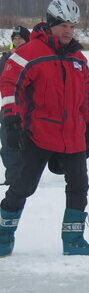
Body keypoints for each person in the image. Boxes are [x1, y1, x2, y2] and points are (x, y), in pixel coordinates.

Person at [0, 0, 89, 258]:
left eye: (72, 27)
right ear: (51, 24)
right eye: (63, 25)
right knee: (23, 186)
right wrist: (11, 119)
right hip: (38, 133)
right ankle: (3, 235)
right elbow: (9, 85)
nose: (68, 31)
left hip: (73, 134)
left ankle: (74, 240)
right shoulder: (29, 53)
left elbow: (86, 96)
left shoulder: (79, 59)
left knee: (79, 186)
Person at [0, 25, 30, 186]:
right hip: (9, 107)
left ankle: (27, 176)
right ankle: (12, 178)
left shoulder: (33, 57)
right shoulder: (6, 59)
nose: (17, 41)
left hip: (29, 109)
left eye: (21, 38)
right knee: (8, 143)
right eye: (15, 38)